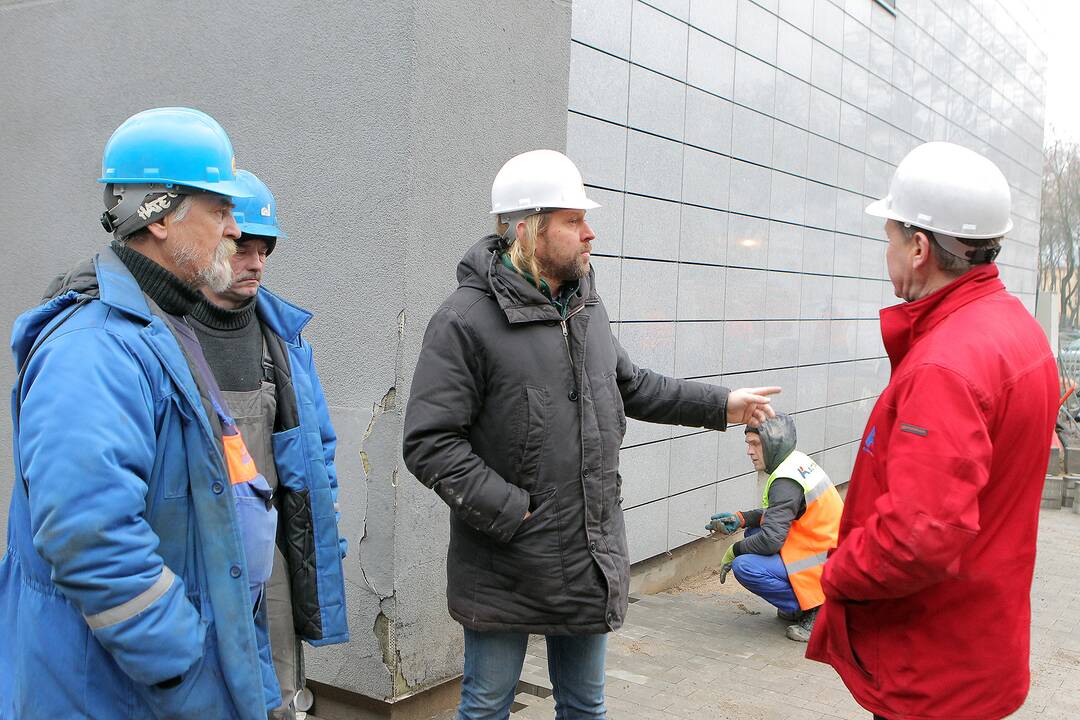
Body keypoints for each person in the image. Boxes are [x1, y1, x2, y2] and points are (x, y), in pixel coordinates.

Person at [402, 148, 780, 720]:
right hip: (505, 562)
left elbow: (633, 385)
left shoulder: (584, 307)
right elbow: (430, 442)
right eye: (574, 221)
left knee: (585, 707)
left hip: (585, 558)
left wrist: (723, 405)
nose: (590, 233)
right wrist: (513, 512)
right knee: (486, 706)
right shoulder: (464, 321)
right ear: (528, 229)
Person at [0, 107, 278, 719]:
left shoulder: (162, 324)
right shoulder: (93, 349)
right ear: (158, 216)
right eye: (220, 210)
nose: (235, 229)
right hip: (119, 692)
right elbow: (90, 537)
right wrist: (182, 665)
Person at [805, 142, 1059, 720]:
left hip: (931, 668)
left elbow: (916, 536)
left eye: (889, 237)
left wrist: (836, 571)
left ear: (919, 248)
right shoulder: (1015, 331)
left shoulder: (946, 363)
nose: (886, 252)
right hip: (977, 653)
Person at [192, 169, 349, 719]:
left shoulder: (282, 339)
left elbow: (317, 446)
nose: (256, 262)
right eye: (242, 247)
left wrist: (325, 523)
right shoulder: (169, 333)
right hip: (197, 549)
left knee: (280, 692)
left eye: (265, 250)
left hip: (274, 549)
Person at [706, 413, 842, 643]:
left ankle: (819, 610)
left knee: (745, 565)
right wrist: (741, 519)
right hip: (827, 549)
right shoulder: (795, 462)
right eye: (748, 444)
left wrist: (734, 550)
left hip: (823, 563)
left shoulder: (785, 481)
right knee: (752, 533)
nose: (749, 451)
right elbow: (781, 516)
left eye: (755, 444)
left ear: (773, 443)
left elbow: (771, 540)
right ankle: (803, 604)